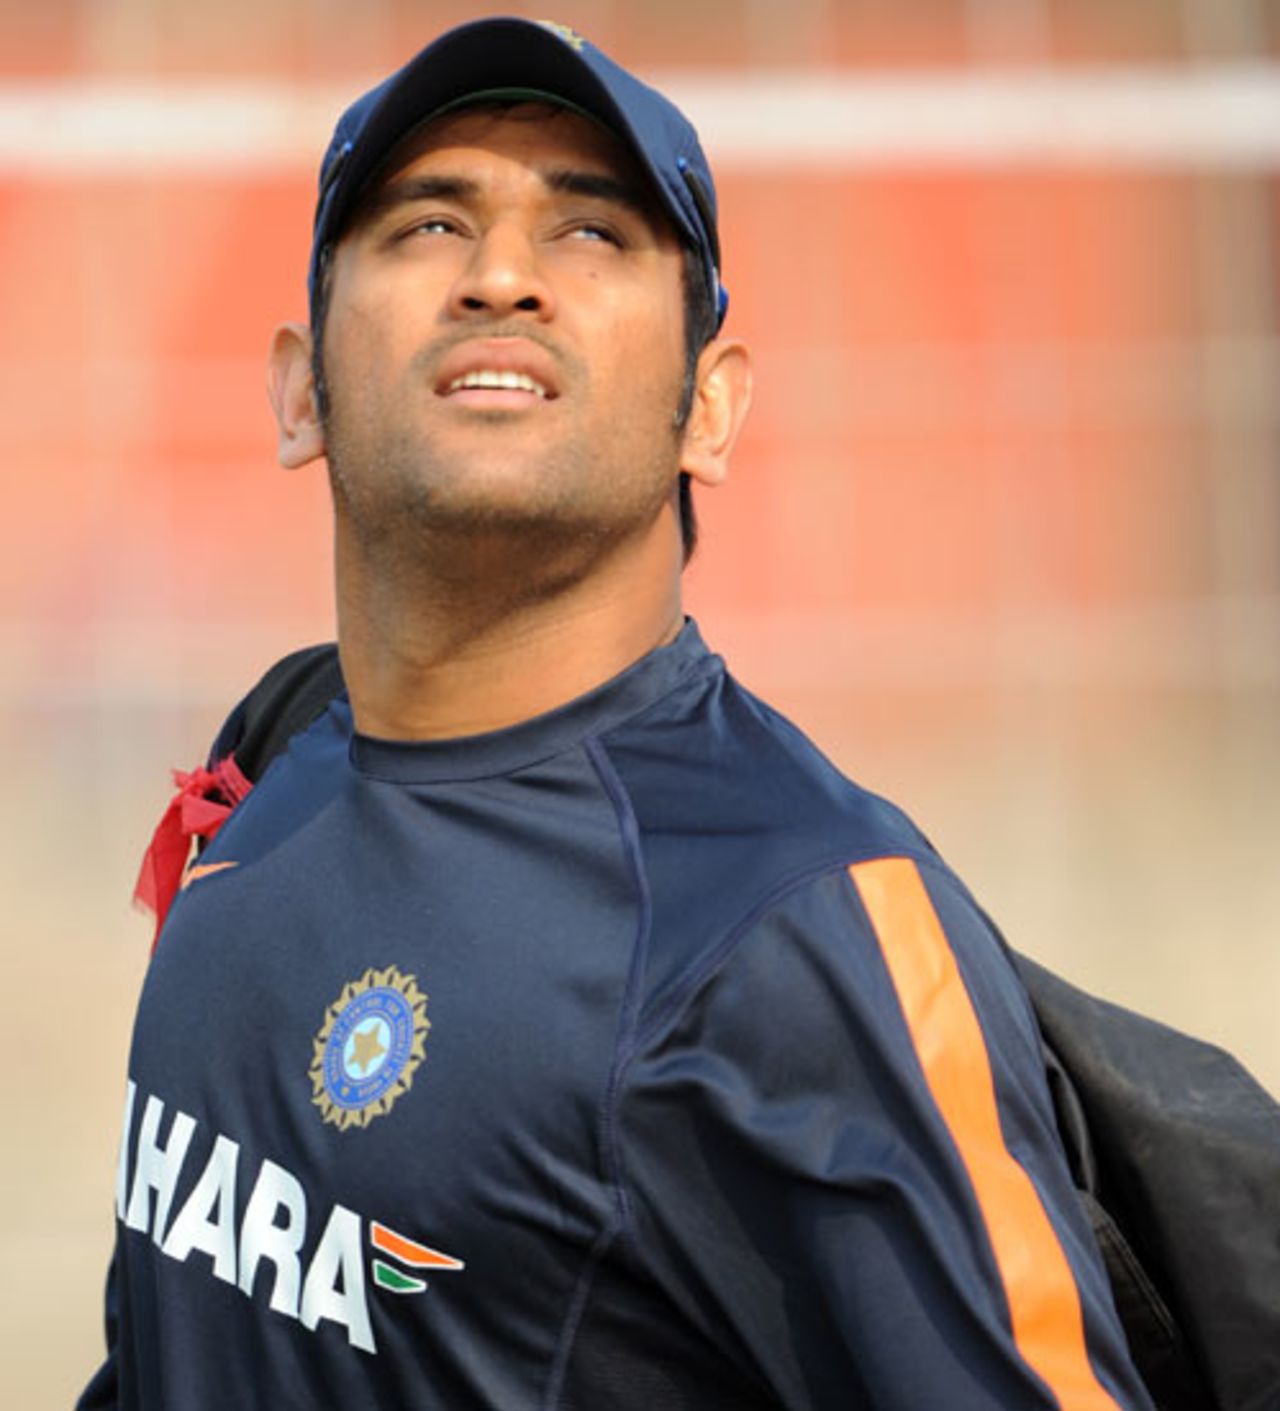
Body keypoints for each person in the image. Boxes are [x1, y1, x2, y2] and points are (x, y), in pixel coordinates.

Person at [80, 17, 1155, 1411]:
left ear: (711, 407)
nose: (503, 277)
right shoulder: (275, 749)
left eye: (590, 233)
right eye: (426, 224)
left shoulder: (792, 927)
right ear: (301, 389)